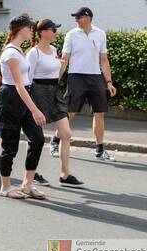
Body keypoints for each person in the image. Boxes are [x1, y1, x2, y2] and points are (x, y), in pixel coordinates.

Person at [50, 7, 117, 161]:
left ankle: (100, 150)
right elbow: (64, 58)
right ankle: (55, 140)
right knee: (71, 112)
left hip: (95, 78)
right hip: (76, 77)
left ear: (88, 17)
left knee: (99, 113)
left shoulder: (100, 34)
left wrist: (109, 82)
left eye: (79, 17)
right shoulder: (71, 35)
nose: (76, 20)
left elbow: (104, 60)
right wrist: (55, 80)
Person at [27, 19, 84, 187]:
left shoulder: (53, 50)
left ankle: (64, 175)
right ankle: (32, 172)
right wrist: (31, 105)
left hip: (54, 93)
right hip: (37, 94)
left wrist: (63, 65)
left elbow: (56, 75)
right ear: (43, 32)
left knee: (66, 134)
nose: (56, 33)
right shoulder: (33, 53)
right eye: (53, 29)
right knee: (35, 137)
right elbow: (27, 80)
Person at [0, 13, 46, 200]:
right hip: (11, 99)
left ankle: (27, 184)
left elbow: (25, 83)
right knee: (10, 145)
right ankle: (5, 187)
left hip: (23, 96)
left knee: (37, 139)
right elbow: (18, 84)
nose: (32, 30)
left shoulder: (19, 50)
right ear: (19, 29)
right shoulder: (10, 53)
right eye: (29, 27)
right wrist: (35, 109)